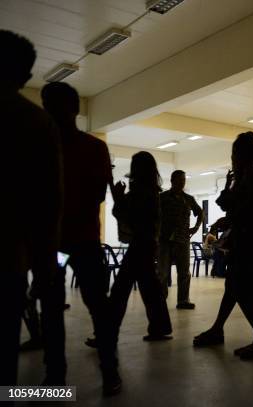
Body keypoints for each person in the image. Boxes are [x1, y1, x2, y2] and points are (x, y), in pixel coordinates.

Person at [40, 81, 120, 394]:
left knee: (78, 308)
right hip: (72, 240)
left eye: (54, 105)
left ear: (72, 109)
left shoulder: (77, 147)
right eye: (49, 105)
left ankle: (66, 376)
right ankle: (96, 373)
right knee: (83, 308)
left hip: (69, 241)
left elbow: (96, 194)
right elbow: (97, 194)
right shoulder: (88, 148)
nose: (51, 112)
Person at [0, 30, 62, 387]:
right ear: (26, 77)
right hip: (8, 258)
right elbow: (48, 201)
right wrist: (44, 264)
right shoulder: (36, 123)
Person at [194, 132, 253, 359]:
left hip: (248, 238)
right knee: (234, 286)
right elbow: (239, 208)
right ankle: (218, 328)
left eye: (233, 154)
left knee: (242, 288)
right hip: (248, 235)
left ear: (239, 155)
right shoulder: (249, 176)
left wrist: (229, 189)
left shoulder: (249, 176)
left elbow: (231, 205)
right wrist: (229, 217)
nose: (231, 159)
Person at [110, 152, 173, 343]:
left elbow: (126, 215)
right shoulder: (151, 191)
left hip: (140, 244)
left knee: (121, 291)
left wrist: (118, 197)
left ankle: (107, 332)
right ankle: (160, 327)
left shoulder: (141, 192)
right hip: (146, 243)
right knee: (149, 290)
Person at [158, 170, 203, 310]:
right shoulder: (162, 197)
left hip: (182, 240)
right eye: (179, 180)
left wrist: (196, 228)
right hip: (165, 240)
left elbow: (200, 212)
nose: (182, 182)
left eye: (183, 180)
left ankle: (183, 300)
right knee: (162, 272)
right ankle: (160, 300)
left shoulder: (189, 199)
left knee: (184, 272)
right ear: (172, 180)